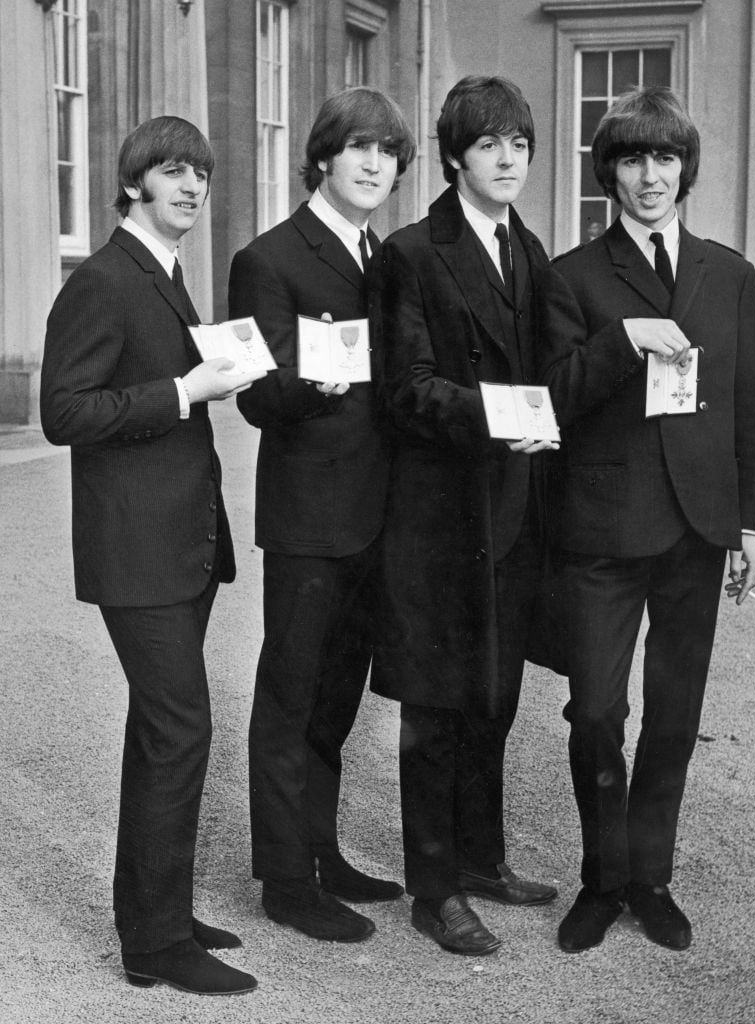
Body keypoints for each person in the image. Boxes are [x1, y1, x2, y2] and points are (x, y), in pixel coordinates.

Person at [539, 85, 755, 953]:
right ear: (609, 172)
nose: (649, 176)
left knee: (673, 713)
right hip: (602, 526)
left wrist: (749, 525)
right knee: (596, 711)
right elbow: (553, 399)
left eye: (664, 157)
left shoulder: (729, 272)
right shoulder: (572, 276)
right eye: (632, 159)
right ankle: (601, 881)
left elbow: (744, 403)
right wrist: (619, 341)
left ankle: (650, 878)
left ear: (685, 168)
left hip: (699, 528)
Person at [40, 116, 261, 995]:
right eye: (173, 172)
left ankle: (155, 913)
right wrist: (183, 391)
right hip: (138, 549)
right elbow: (64, 412)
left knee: (159, 729)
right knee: (180, 728)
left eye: (200, 174)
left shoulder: (163, 272)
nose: (192, 188)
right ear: (133, 182)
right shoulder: (102, 278)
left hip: (179, 544)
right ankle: (156, 946)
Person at [368, 75, 559, 957]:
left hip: (512, 510)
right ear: (453, 158)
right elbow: (405, 391)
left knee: (495, 698)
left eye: (518, 143)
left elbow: (557, 367)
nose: (508, 157)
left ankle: (481, 861)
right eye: (489, 145)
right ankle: (433, 888)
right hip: (441, 517)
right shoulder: (410, 253)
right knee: (437, 710)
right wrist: (502, 416)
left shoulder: (528, 249)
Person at [227, 88, 416, 943]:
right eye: (359, 149)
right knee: (290, 694)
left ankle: (320, 849)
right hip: (309, 515)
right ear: (323, 158)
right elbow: (258, 398)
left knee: (339, 695)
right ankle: (282, 878)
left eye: (387, 153)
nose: (374, 165)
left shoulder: (385, 254)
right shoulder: (268, 258)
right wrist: (318, 378)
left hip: (378, 514)